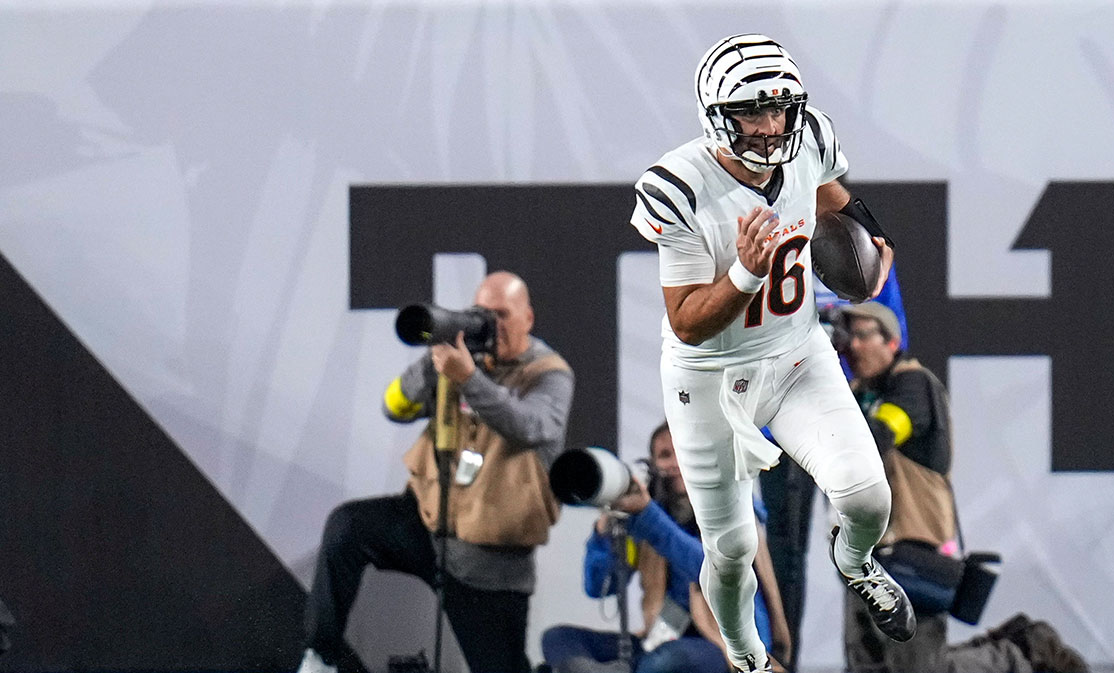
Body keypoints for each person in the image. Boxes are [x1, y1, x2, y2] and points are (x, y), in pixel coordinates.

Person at [628, 33, 914, 673]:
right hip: (708, 377)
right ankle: (746, 655)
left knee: (869, 498)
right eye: (751, 112)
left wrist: (871, 240)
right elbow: (688, 323)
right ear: (716, 116)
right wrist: (745, 274)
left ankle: (855, 560)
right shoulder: (679, 186)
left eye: (779, 108)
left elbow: (835, 199)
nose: (769, 126)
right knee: (732, 550)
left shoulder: (809, 139)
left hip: (794, 354)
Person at [297, 271, 575, 673]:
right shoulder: (463, 361)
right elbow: (394, 408)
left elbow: (531, 427)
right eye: (481, 312)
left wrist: (469, 378)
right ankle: (320, 658)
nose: (490, 324)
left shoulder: (549, 373)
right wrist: (434, 358)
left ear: (528, 318)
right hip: (428, 524)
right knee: (348, 527)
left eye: (502, 314)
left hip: (489, 562)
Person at [838, 302, 1086, 673]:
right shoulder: (858, 393)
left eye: (862, 335)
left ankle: (1020, 652)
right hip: (863, 555)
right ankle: (1013, 647)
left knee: (922, 669)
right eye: (848, 338)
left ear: (892, 342)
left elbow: (877, 438)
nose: (852, 346)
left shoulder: (913, 385)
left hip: (911, 549)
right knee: (867, 665)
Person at [540, 423, 791, 673]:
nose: (675, 463)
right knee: (558, 638)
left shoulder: (734, 507)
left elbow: (711, 569)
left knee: (664, 661)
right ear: (653, 464)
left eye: (683, 450)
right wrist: (605, 529)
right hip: (659, 639)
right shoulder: (649, 512)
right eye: (664, 455)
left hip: (726, 644)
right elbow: (597, 587)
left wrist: (648, 515)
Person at [759, 271, 910, 672]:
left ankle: (867, 664)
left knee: (864, 545)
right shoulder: (770, 246)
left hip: (845, 417)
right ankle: (782, 661)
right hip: (780, 420)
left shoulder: (860, 248)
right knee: (783, 554)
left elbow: (894, 335)